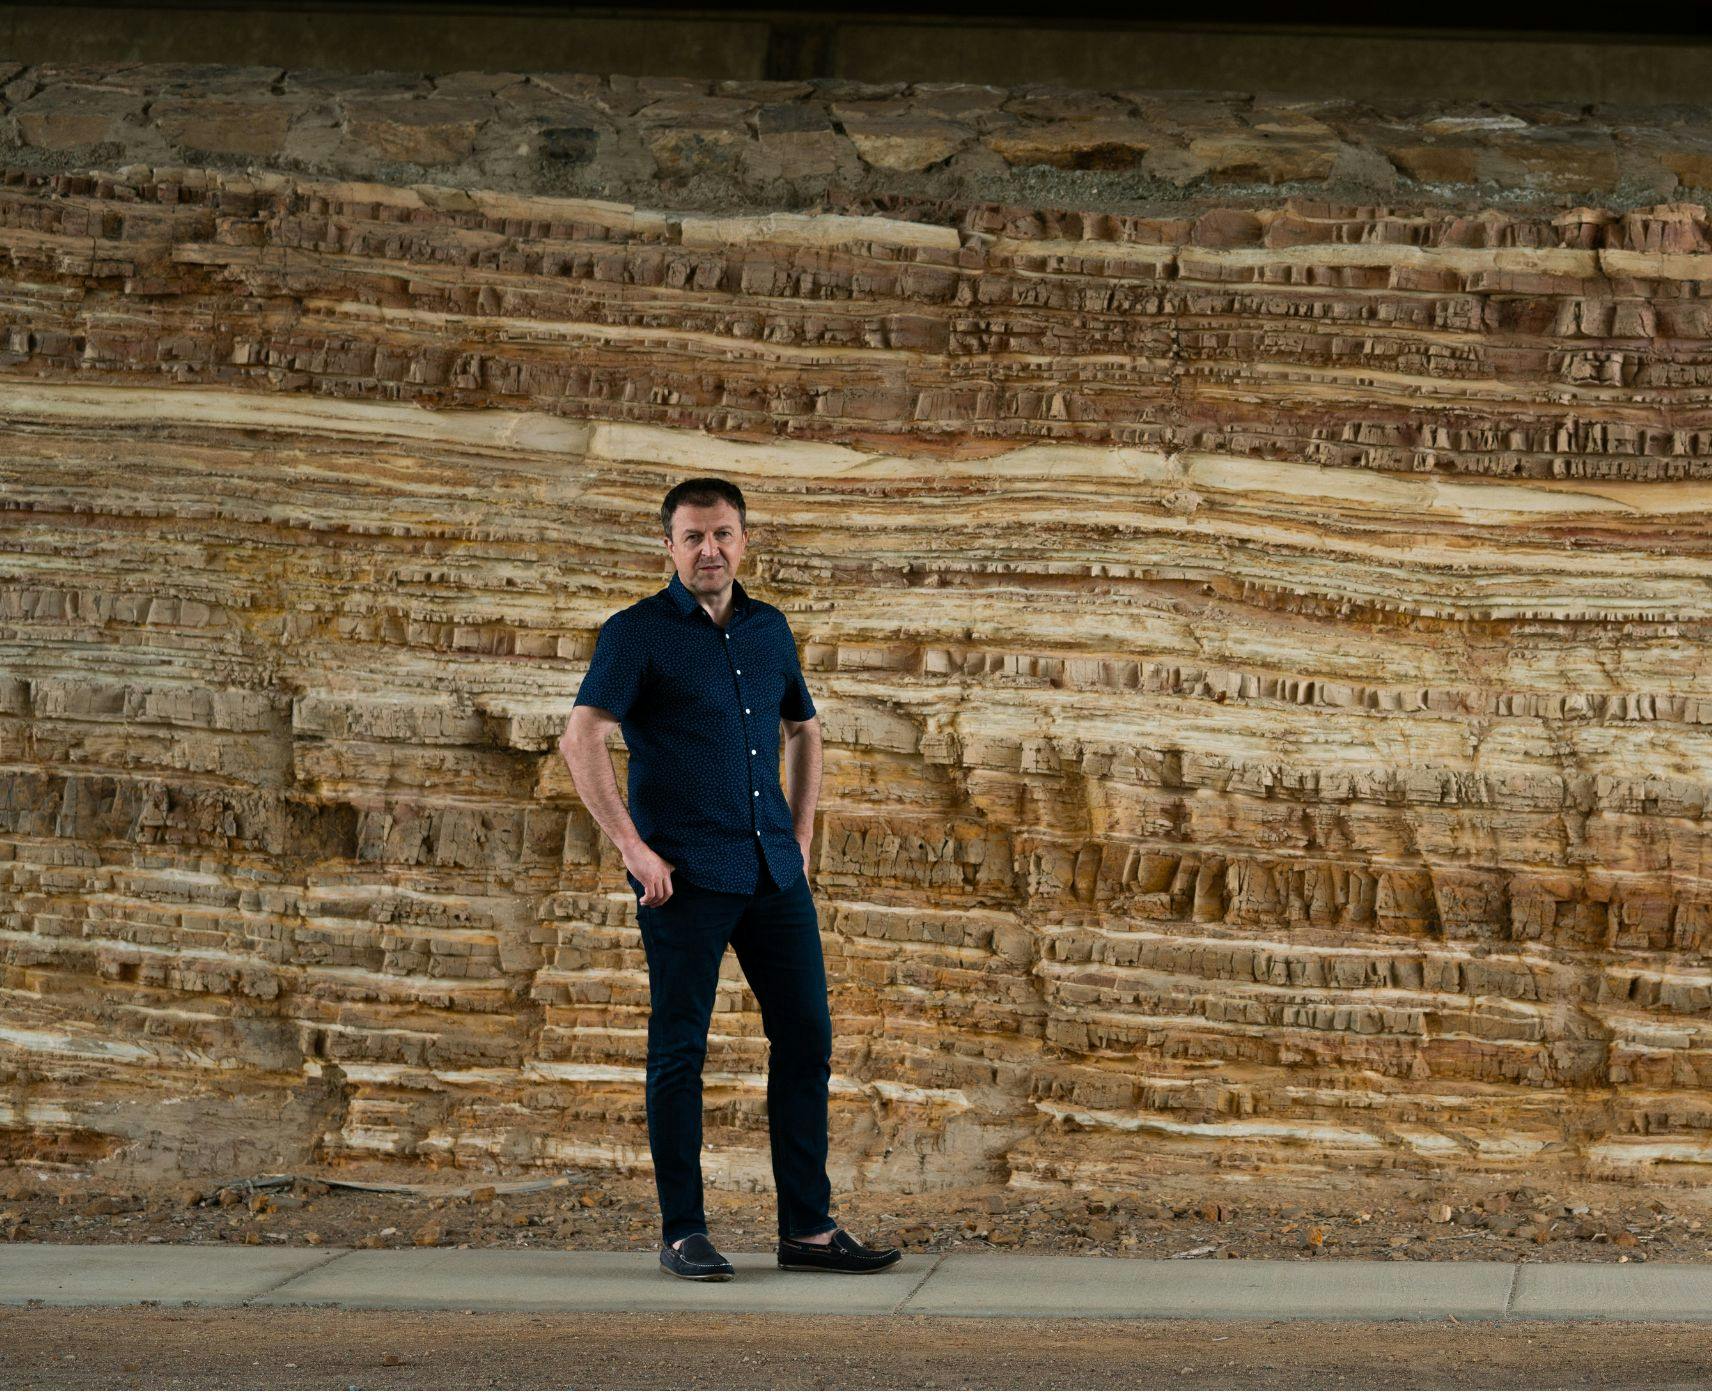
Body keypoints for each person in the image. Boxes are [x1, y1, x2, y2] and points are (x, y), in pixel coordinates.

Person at [560, 476, 903, 1282]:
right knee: (680, 1052)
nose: (709, 549)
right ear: (668, 546)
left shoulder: (768, 629)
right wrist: (633, 849)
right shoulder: (635, 634)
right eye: (693, 537)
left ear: (744, 540)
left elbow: (804, 728)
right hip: (682, 878)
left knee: (807, 1040)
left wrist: (803, 829)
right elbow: (583, 738)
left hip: (771, 873)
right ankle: (684, 1231)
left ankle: (807, 1232)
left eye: (723, 534)